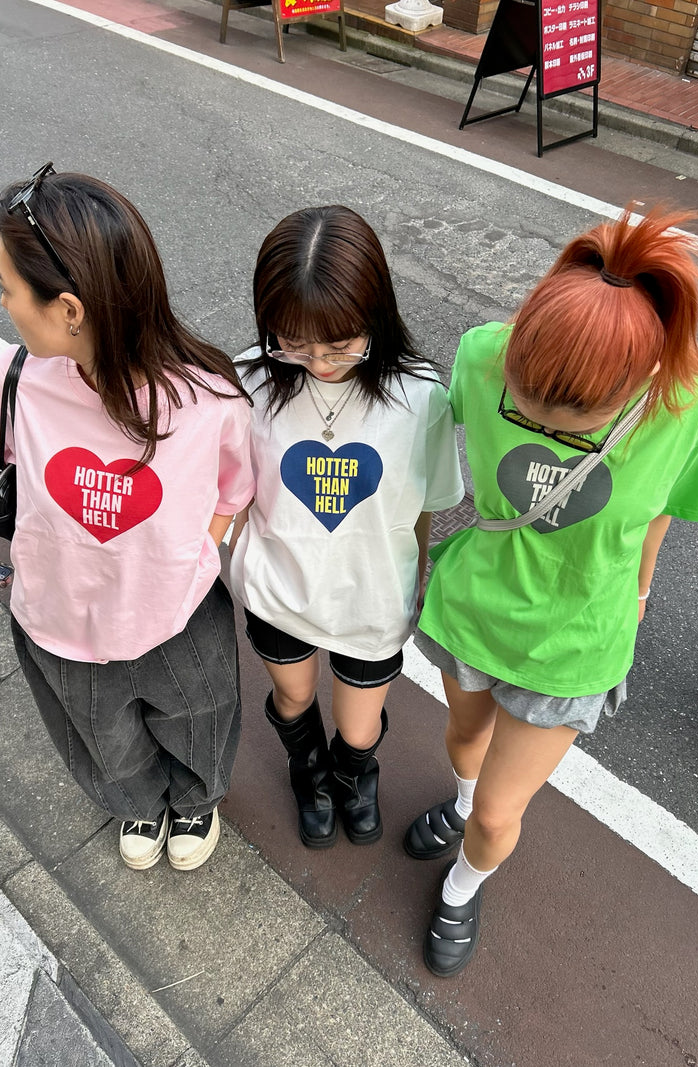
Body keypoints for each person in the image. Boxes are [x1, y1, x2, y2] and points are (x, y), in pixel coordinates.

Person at [405, 207, 698, 977]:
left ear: (635, 388)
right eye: (522, 406)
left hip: (576, 642)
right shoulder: (482, 354)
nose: (534, 420)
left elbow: (663, 510)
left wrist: (640, 591)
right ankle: (458, 798)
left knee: (497, 816)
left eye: (569, 421)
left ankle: (462, 883)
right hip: (472, 608)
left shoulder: (691, 409)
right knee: (462, 741)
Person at [0, 164, 254, 872]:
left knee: (199, 718)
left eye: (8, 287)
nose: (3, 302)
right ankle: (140, 804)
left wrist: (190, 561)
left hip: (175, 618)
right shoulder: (13, 379)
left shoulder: (206, 399)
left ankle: (196, 799)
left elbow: (233, 491)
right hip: (56, 615)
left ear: (68, 308)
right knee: (99, 735)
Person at [229, 205, 464, 849]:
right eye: (294, 342)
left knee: (360, 729)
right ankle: (308, 774)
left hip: (373, 598)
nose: (318, 362)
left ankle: (353, 774)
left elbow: (426, 503)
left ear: (375, 314)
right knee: (293, 699)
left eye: (339, 344)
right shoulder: (250, 380)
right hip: (278, 590)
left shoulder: (419, 394)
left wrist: (416, 577)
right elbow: (233, 490)